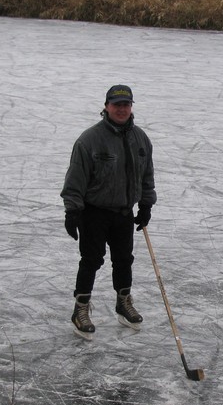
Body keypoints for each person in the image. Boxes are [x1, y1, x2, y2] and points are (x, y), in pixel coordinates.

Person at [61, 84, 156, 339]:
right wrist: (72, 211)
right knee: (91, 260)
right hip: (94, 211)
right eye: (116, 105)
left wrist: (146, 204)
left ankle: (123, 302)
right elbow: (75, 179)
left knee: (124, 260)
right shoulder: (89, 139)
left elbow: (147, 176)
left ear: (131, 107)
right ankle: (80, 308)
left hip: (124, 212)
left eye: (126, 105)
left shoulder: (140, 139)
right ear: (106, 106)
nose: (121, 109)